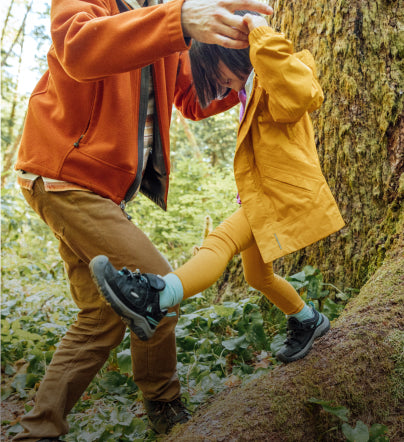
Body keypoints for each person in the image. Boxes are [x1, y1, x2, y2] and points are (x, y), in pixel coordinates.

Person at [13, 0, 274, 440]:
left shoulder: (163, 17)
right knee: (156, 289)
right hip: (64, 173)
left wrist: (250, 75)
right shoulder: (114, 9)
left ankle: (39, 430)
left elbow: (193, 99)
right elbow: (78, 48)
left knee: (101, 317)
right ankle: (165, 408)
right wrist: (179, 21)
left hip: (93, 187)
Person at [90, 10, 346, 368]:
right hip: (261, 196)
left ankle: (154, 300)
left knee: (220, 243)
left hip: (278, 195)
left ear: (232, 49)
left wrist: (259, 33)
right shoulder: (251, 88)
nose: (223, 84)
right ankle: (307, 319)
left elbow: (302, 94)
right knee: (258, 277)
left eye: (217, 73)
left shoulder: (281, 74)